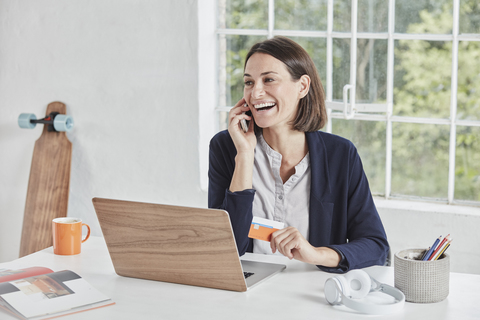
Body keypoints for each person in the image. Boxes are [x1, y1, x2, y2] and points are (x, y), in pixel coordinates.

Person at [208, 36, 389, 273]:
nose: (256, 93)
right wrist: (244, 155)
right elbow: (223, 248)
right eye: (249, 82)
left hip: (315, 294)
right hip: (245, 291)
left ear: (302, 86)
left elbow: (376, 248)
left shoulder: (341, 155)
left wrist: (316, 253)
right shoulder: (226, 146)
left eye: (269, 79)